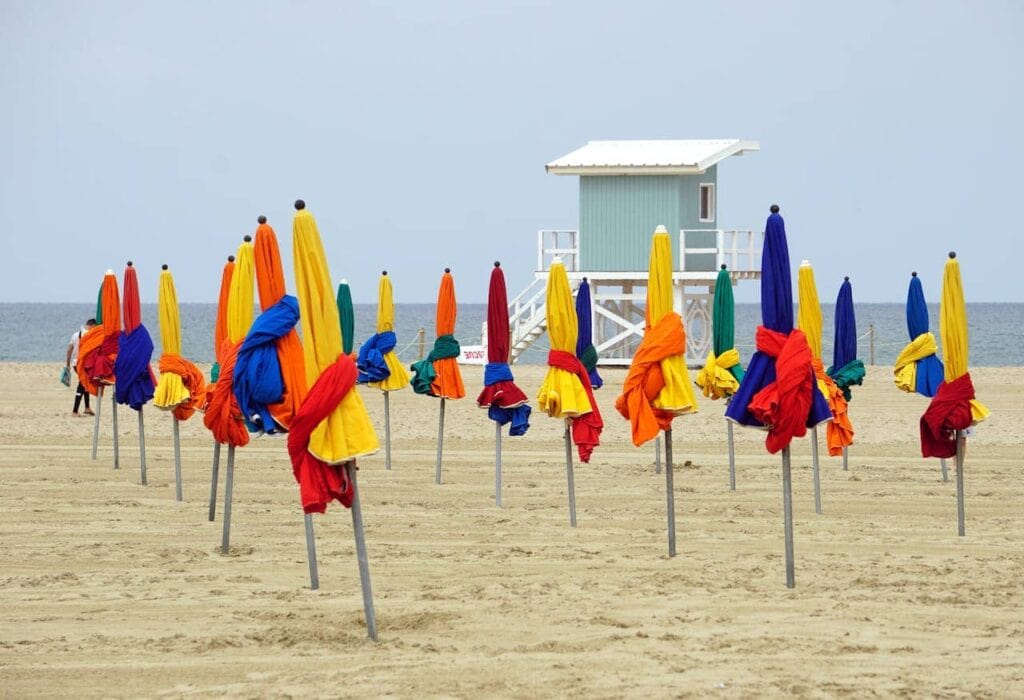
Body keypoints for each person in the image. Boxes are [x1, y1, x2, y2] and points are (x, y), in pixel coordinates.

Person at [66, 318, 97, 416]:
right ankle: (75, 411)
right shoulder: (90, 335)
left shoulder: (75, 335)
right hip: (83, 364)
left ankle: (87, 407)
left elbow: (69, 350)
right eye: (94, 327)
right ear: (91, 325)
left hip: (75, 363)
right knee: (82, 384)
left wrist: (67, 364)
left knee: (85, 383)